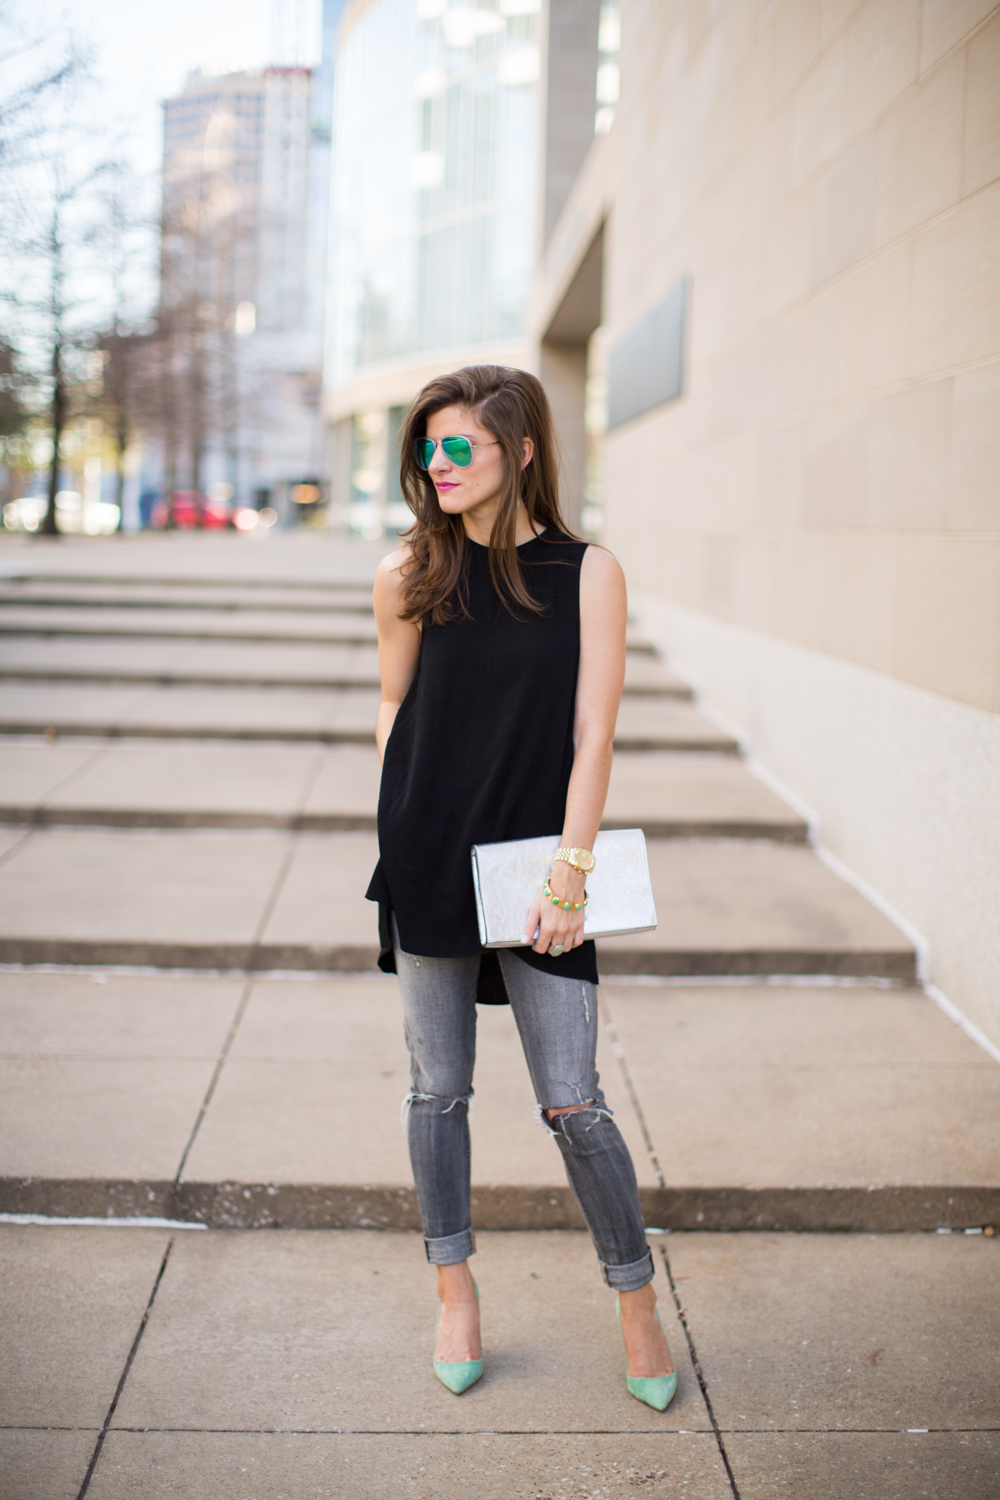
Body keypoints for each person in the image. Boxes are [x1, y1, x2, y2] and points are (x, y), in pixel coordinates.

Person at [367, 364, 675, 1410]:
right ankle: (454, 1292)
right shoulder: (407, 569)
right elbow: (392, 709)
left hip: (542, 866)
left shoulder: (587, 571)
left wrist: (570, 870)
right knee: (435, 1089)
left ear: (525, 451)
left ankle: (635, 1298)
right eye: (428, 447)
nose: (438, 465)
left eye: (462, 446)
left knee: (573, 1101)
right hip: (427, 859)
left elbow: (594, 732)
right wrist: (403, 825)